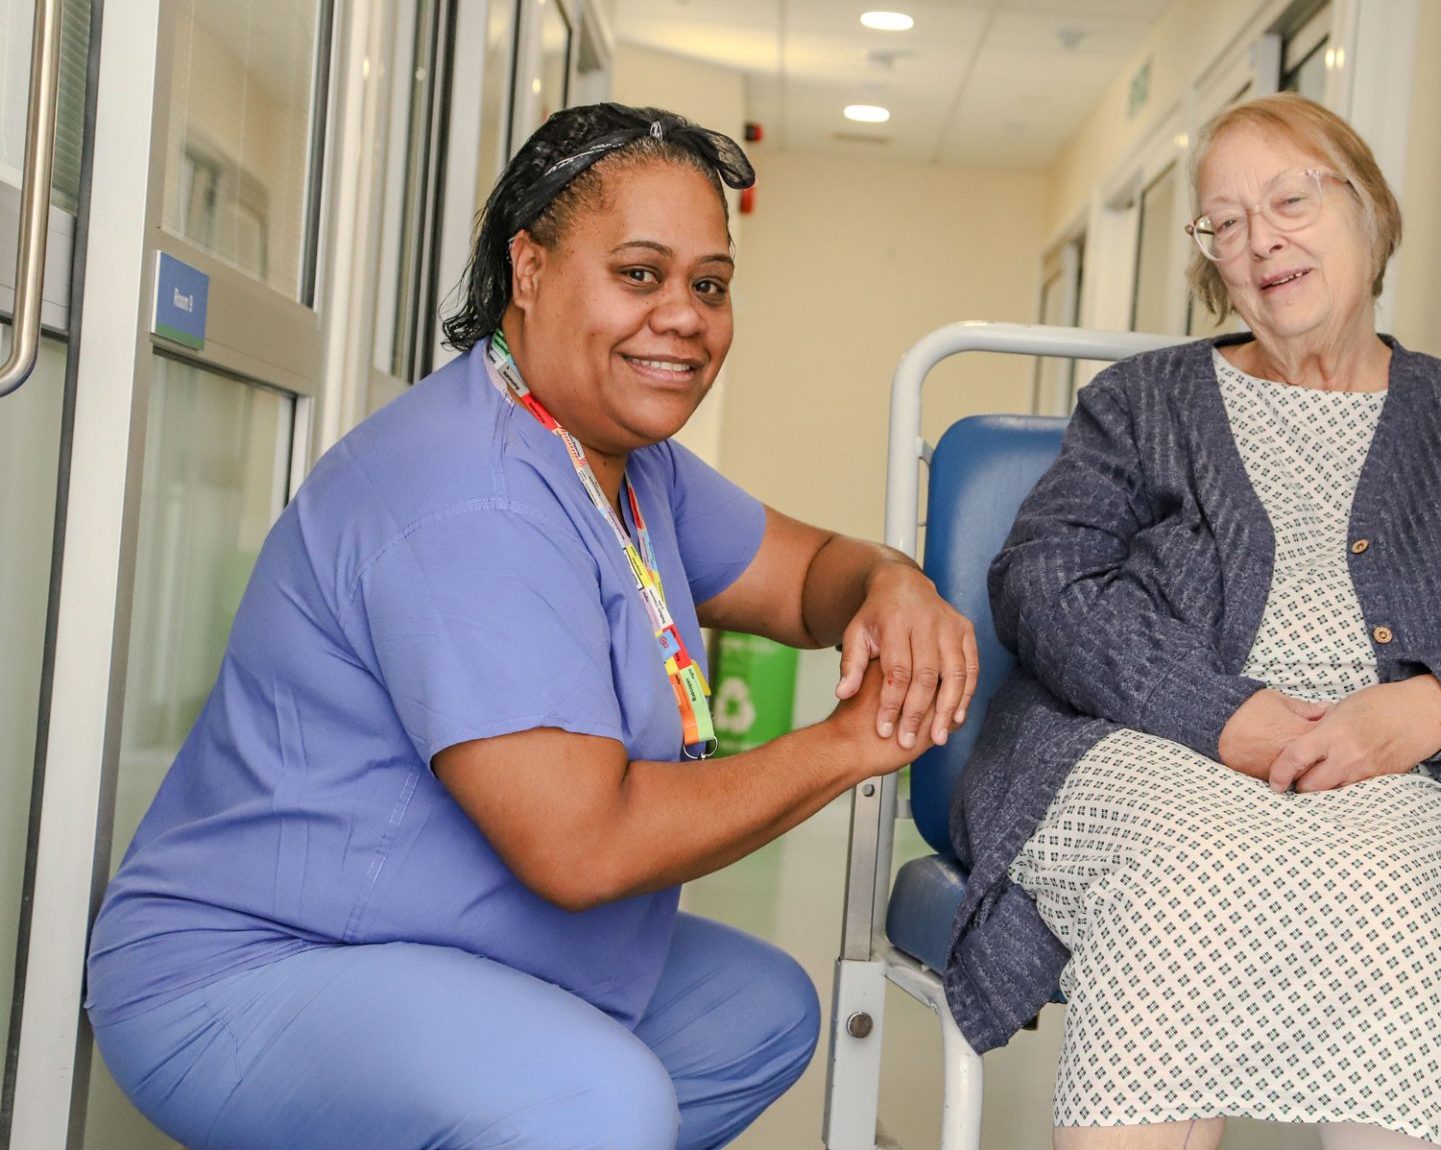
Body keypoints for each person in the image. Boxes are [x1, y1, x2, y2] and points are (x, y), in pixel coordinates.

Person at [85, 104, 977, 1150]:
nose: (684, 315)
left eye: (710, 283)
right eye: (639, 274)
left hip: (446, 939)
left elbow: (814, 574)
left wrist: (894, 585)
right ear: (531, 270)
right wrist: (846, 746)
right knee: (599, 1102)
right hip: (259, 966)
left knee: (755, 1015)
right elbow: (582, 846)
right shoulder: (472, 495)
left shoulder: (622, 466)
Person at [947, 93, 1441, 1150]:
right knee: (1186, 867)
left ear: (1369, 212)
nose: (1260, 243)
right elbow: (1045, 578)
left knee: (1395, 894)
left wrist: (1425, 712)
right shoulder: (1143, 401)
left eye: (1289, 200)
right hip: (1153, 747)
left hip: (1401, 774)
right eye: (1226, 223)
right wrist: (1229, 715)